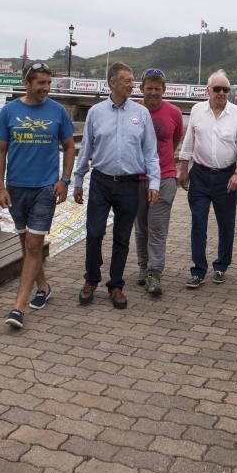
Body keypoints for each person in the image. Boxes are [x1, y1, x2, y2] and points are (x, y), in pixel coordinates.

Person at [0, 62, 75, 329]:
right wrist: (0, 187)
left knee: (32, 245)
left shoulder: (58, 111)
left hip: (45, 188)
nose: (46, 88)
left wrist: (64, 180)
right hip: (16, 187)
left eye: (48, 84)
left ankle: (18, 307)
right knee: (27, 245)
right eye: (41, 83)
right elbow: (0, 151)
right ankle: (43, 287)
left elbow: (69, 146)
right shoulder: (9, 112)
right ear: (27, 83)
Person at [74, 62, 160, 309]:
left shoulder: (141, 114)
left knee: (122, 237)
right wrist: (79, 179)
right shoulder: (96, 113)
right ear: (112, 83)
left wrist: (154, 182)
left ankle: (116, 285)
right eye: (126, 80)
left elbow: (150, 152)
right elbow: (86, 149)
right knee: (94, 233)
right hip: (101, 181)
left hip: (130, 184)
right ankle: (91, 279)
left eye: (132, 80)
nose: (131, 84)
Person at [179, 70, 237, 288]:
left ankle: (221, 266)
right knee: (198, 221)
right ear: (207, 90)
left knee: (226, 224)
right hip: (199, 175)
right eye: (217, 89)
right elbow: (189, 140)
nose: (221, 93)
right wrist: (183, 168)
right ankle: (198, 270)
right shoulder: (197, 110)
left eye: (225, 89)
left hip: (226, 177)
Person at [134, 68, 183, 296]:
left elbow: (174, 140)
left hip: (164, 177)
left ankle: (155, 272)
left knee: (157, 228)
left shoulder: (173, 113)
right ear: (141, 88)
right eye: (149, 88)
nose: (153, 93)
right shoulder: (132, 110)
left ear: (164, 90)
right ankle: (143, 266)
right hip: (136, 178)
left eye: (157, 89)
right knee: (141, 227)